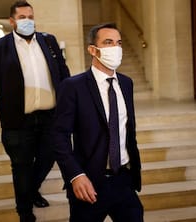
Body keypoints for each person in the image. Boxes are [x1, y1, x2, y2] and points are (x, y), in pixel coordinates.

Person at [0, 1, 70, 221]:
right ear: (12, 21)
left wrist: (71, 105)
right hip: (18, 119)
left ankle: (30, 191)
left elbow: (63, 74)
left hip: (50, 116)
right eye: (22, 17)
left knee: (49, 157)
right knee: (21, 165)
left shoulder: (48, 41)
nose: (27, 21)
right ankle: (25, 211)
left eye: (30, 16)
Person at [52, 23, 144, 222]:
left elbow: (127, 131)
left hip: (123, 180)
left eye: (119, 43)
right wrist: (75, 175)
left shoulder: (126, 83)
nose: (116, 48)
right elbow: (59, 136)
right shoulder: (73, 86)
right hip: (89, 182)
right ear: (93, 50)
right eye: (108, 42)